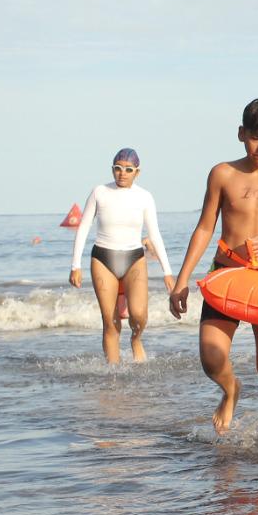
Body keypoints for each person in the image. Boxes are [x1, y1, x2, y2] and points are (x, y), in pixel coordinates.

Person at [169, 99, 258, 449]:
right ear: (241, 134)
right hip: (226, 273)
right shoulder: (223, 174)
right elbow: (205, 227)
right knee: (210, 357)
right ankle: (231, 389)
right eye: (256, 137)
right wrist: (181, 280)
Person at [68, 148, 173, 363]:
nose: (122, 173)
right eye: (117, 168)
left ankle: (136, 339)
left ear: (137, 172)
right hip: (103, 258)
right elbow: (84, 226)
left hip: (134, 258)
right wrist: (75, 265)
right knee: (110, 322)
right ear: (112, 169)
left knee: (139, 315)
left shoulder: (144, 197)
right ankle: (113, 373)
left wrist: (167, 272)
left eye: (128, 169)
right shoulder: (99, 192)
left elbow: (155, 235)